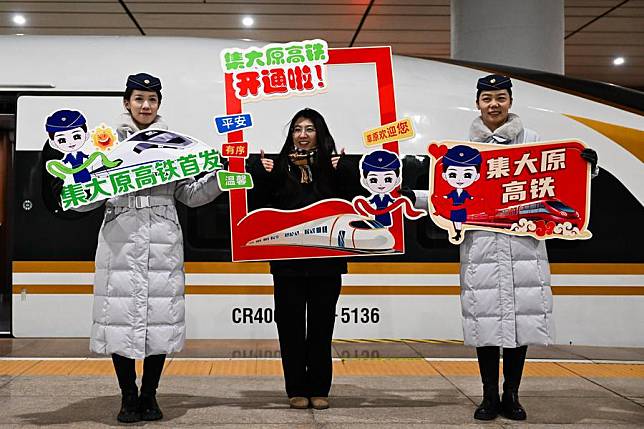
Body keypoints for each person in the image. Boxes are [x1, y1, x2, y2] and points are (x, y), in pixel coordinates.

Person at [76, 73, 223, 423]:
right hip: (119, 240)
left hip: (163, 238)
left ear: (159, 104)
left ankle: (150, 396)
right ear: (127, 102)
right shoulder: (104, 144)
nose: (145, 105)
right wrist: (76, 186)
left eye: (152, 99)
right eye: (139, 98)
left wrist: (219, 178)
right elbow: (85, 201)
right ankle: (128, 397)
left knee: (160, 320)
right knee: (119, 321)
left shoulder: (174, 145)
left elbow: (189, 194)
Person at [249, 108, 347, 410]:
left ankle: (320, 388)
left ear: (320, 133)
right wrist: (260, 175)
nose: (302, 135)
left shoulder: (334, 167)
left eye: (309, 129)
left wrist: (342, 171)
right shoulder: (277, 168)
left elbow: (351, 205)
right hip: (287, 263)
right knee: (289, 326)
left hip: (326, 263)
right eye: (297, 129)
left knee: (321, 327)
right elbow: (258, 208)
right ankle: (295, 388)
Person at [440, 145, 482, 241]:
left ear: (477, 176)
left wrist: (472, 199)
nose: (459, 179)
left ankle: (459, 232)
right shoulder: (452, 192)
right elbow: (445, 196)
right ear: (444, 176)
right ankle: (457, 232)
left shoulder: (466, 192)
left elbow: (470, 197)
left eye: (467, 175)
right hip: (454, 208)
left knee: (461, 221)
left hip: (462, 208)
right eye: (452, 174)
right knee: (455, 220)